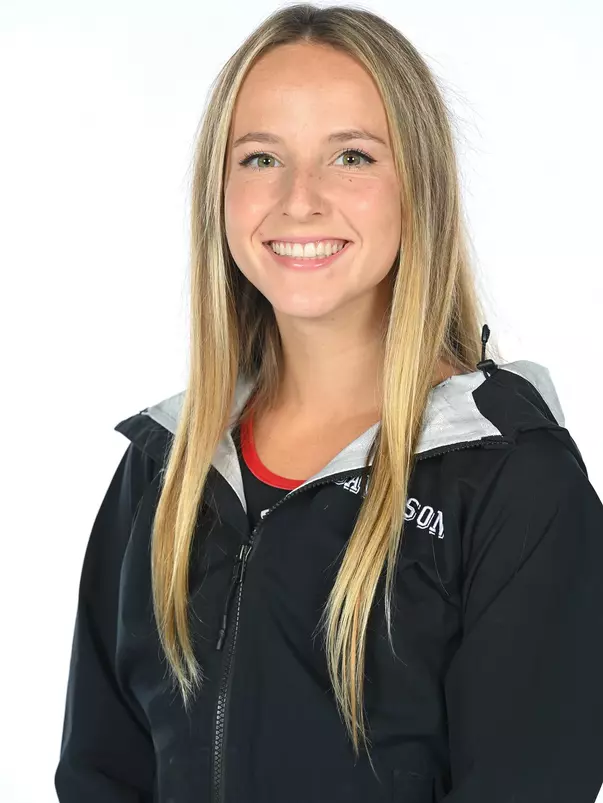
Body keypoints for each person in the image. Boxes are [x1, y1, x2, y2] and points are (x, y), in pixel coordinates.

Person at [54, 5, 603, 802]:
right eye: (260, 158)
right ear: (219, 190)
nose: (299, 199)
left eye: (350, 156)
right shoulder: (162, 469)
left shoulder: (512, 483)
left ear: (418, 187)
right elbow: (100, 774)